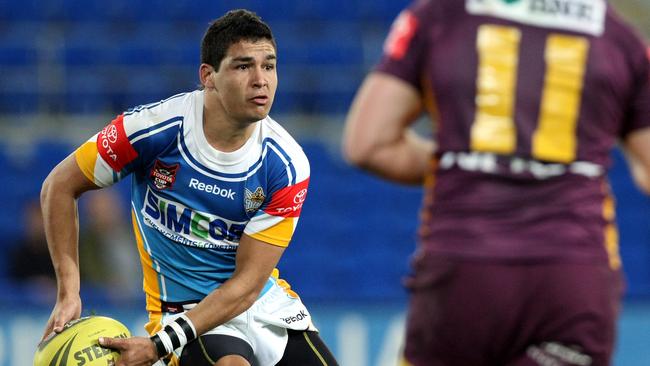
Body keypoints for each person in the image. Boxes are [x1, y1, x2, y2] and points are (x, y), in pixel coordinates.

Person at [343, 0, 650, 365]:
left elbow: (369, 144)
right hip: (575, 275)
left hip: (464, 271)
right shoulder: (621, 40)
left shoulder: (440, 16)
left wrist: (471, 165)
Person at [40, 9, 338, 366]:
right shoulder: (151, 131)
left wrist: (155, 347)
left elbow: (247, 284)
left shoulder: (286, 163)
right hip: (181, 310)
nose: (261, 80)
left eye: (269, 66)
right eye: (243, 66)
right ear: (208, 76)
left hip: (259, 302)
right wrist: (68, 291)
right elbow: (59, 185)